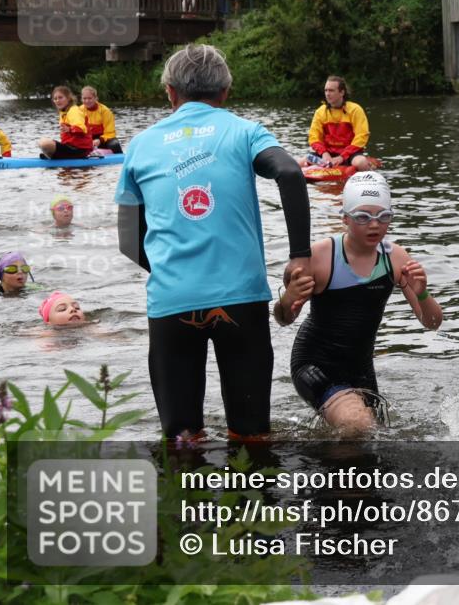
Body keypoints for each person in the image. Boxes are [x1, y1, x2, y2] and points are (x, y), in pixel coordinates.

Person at [115, 43, 312, 441]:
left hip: (172, 302)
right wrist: (299, 256)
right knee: (252, 436)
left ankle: (188, 501)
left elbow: (126, 239)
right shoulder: (243, 131)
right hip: (240, 299)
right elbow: (290, 173)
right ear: (225, 92)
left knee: (182, 440)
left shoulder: (140, 145)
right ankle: (254, 500)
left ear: (169, 91)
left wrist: (172, 270)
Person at [275, 171, 442, 435]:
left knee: (372, 444)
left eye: (383, 217)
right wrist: (289, 297)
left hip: (361, 368)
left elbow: (432, 323)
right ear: (345, 218)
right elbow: (284, 319)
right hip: (315, 363)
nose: (374, 225)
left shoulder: (395, 258)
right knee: (357, 424)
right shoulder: (319, 257)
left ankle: (330, 471)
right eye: (363, 217)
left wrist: (422, 294)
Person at [303, 76, 372, 171]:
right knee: (299, 163)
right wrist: (324, 154)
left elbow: (362, 136)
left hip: (350, 155)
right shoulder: (320, 112)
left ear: (342, 92)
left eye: (331, 90)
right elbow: (313, 137)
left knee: (361, 163)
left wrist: (342, 157)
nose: (327, 94)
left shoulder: (355, 110)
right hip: (327, 156)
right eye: (326, 90)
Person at [37, 86, 92, 160]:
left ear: (68, 98)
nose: (57, 100)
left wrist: (70, 129)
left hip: (80, 150)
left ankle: (52, 157)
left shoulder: (74, 110)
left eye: (60, 97)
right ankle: (53, 156)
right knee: (41, 142)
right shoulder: (63, 112)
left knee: (45, 143)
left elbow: (82, 129)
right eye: (55, 98)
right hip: (70, 148)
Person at [79, 86, 123, 154]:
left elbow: (110, 132)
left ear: (96, 98)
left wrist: (99, 140)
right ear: (81, 99)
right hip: (87, 140)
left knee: (115, 145)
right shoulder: (79, 111)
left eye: (90, 98)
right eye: (84, 98)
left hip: (103, 140)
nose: (87, 101)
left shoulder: (105, 111)